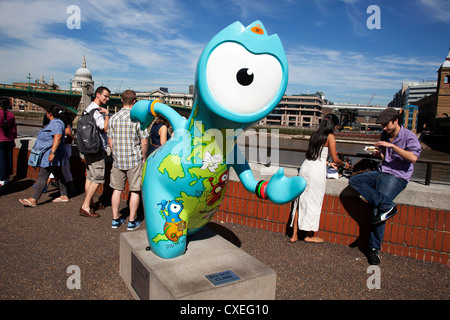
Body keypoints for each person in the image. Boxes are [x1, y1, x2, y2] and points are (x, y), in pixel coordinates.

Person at [348, 107, 421, 265]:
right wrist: (377, 154)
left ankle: (373, 248)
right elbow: (384, 156)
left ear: (395, 121)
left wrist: (393, 147)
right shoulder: (385, 134)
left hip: (397, 176)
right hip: (381, 172)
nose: (384, 128)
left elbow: (413, 158)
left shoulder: (409, 136)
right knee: (355, 181)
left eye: (386, 125)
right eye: (382, 126)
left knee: (377, 209)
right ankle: (387, 205)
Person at [289, 114, 350, 244]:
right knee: (314, 202)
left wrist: (328, 164)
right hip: (316, 172)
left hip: (305, 167)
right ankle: (308, 235)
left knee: (300, 202)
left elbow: (315, 155)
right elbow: (335, 158)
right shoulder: (330, 137)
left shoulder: (315, 135)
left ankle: (294, 235)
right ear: (333, 125)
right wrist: (345, 164)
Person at [108, 90, 148, 230]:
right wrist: (143, 156)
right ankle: (131, 221)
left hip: (118, 159)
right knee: (135, 190)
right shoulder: (137, 119)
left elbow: (110, 140)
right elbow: (144, 141)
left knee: (117, 190)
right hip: (133, 159)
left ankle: (115, 219)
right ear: (134, 102)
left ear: (121, 101)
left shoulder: (113, 118)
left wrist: (115, 154)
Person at [19, 105, 68, 207]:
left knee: (43, 175)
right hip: (51, 153)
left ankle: (34, 199)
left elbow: (58, 136)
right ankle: (64, 195)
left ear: (49, 113)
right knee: (58, 174)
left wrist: (52, 153)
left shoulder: (56, 123)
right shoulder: (56, 123)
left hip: (50, 154)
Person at [79, 86, 111, 218]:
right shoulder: (97, 112)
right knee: (97, 179)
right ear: (97, 94)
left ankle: (90, 203)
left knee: (90, 177)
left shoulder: (87, 109)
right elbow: (105, 128)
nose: (107, 99)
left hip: (87, 148)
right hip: (96, 149)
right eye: (105, 96)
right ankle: (85, 206)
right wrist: (108, 115)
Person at [58, 109, 76, 195]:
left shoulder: (66, 127)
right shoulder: (61, 126)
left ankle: (71, 187)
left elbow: (69, 140)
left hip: (65, 150)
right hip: (61, 150)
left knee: (66, 169)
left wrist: (60, 141)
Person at [0, 97, 17, 187]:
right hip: (9, 139)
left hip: (0, 140)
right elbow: (14, 129)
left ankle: (1, 178)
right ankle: (7, 177)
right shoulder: (12, 115)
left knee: (2, 159)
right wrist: (13, 138)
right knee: (9, 158)